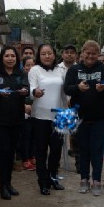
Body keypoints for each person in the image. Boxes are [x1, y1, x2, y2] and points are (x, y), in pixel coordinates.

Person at [64, 40, 104, 196]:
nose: (91, 56)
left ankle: (96, 180)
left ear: (98, 55)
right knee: (83, 149)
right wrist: (78, 88)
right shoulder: (74, 70)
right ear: (82, 53)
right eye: (88, 53)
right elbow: (67, 88)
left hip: (101, 117)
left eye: (94, 53)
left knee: (96, 149)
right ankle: (84, 179)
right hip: (80, 118)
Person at [0, 45, 29, 200]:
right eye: (7, 56)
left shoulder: (21, 73)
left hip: (17, 120)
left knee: (11, 153)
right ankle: (2, 186)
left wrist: (25, 91)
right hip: (0, 121)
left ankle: (9, 183)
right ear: (2, 58)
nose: (10, 59)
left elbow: (27, 88)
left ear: (16, 58)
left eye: (13, 56)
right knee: (3, 153)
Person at [28, 43, 67, 195]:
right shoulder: (35, 70)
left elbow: (64, 95)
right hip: (40, 117)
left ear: (54, 54)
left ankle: (53, 178)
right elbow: (31, 89)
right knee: (41, 151)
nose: (47, 56)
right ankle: (42, 181)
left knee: (56, 151)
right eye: (43, 53)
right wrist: (34, 92)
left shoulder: (61, 70)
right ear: (39, 55)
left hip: (58, 117)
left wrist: (67, 110)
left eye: (49, 53)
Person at [19, 56, 37, 171]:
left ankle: (32, 156)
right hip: (23, 111)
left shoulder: (37, 78)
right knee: (25, 137)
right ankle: (25, 159)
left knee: (34, 136)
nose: (30, 68)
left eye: (32, 65)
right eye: (27, 65)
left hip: (36, 111)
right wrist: (24, 105)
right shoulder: (21, 78)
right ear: (23, 67)